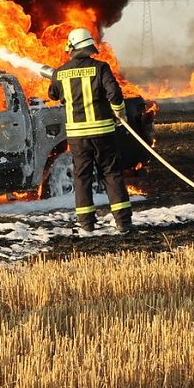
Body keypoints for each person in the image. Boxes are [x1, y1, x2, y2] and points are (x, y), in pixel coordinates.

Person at [48, 28, 133, 234]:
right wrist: (120, 114)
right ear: (88, 47)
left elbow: (52, 94)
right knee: (111, 173)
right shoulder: (101, 68)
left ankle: (86, 224)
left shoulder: (60, 72)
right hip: (103, 133)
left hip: (77, 136)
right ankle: (123, 222)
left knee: (82, 177)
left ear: (71, 48)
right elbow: (114, 93)